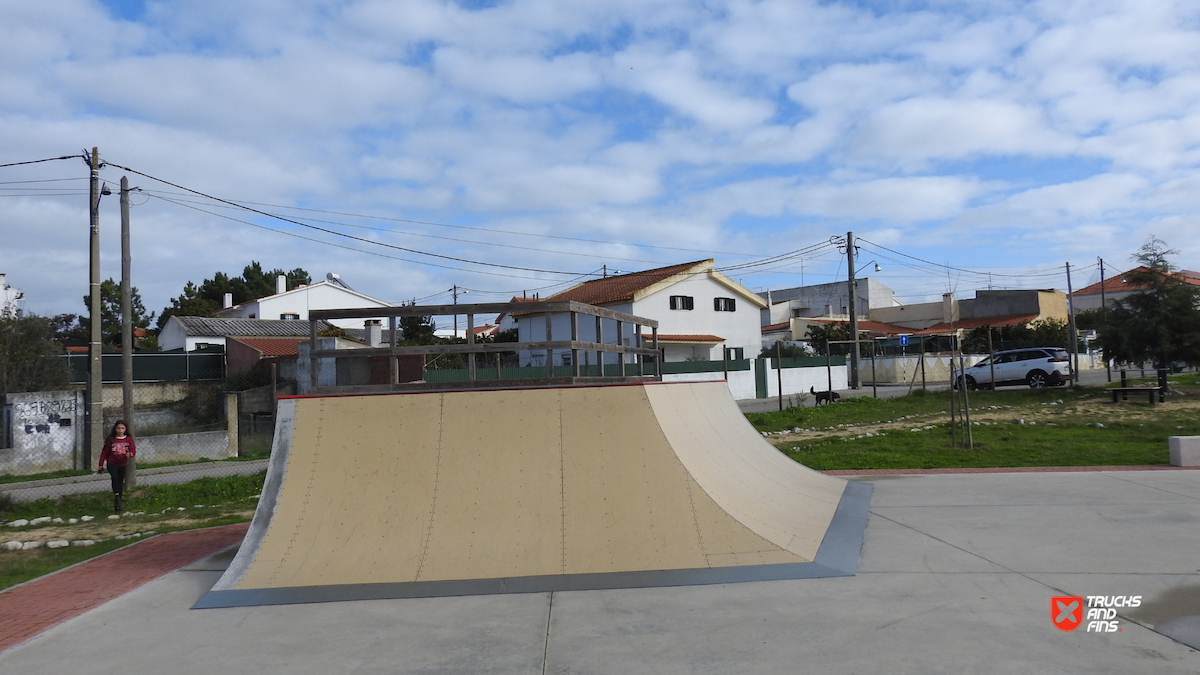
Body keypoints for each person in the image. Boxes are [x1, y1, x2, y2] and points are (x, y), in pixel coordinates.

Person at [97, 420, 136, 513]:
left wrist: (130, 454)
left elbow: (133, 450)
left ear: (125, 429)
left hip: (122, 463)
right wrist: (100, 465)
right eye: (118, 428)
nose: (120, 430)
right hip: (112, 463)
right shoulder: (111, 439)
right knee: (114, 478)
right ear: (115, 429)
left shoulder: (128, 439)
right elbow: (104, 453)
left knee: (120, 481)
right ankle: (116, 495)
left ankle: (119, 502)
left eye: (122, 428)